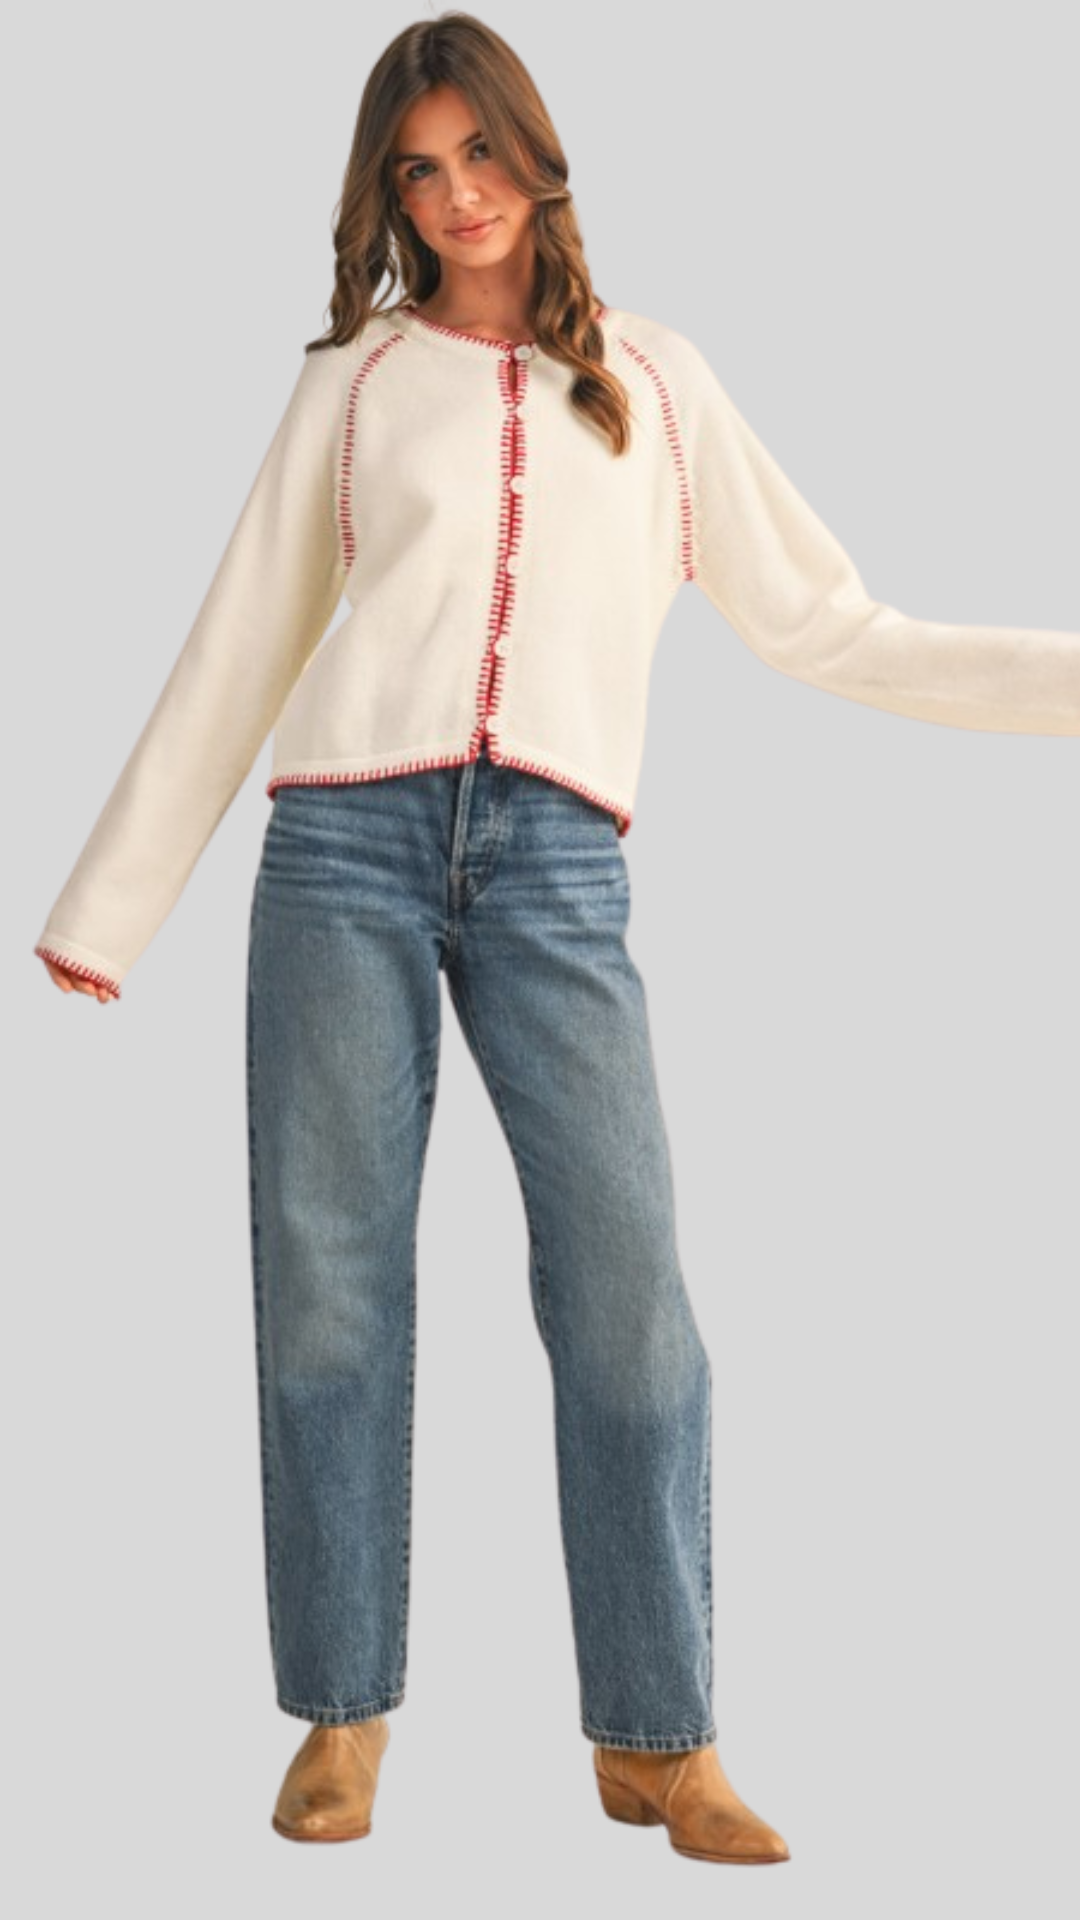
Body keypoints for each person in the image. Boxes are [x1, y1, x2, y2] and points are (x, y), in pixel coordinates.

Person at [33, 11, 1078, 1863]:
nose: (457, 197)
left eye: (481, 155)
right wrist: (112, 905)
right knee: (329, 1287)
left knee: (629, 1296)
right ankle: (342, 1713)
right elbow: (240, 644)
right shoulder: (354, 383)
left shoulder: (657, 384)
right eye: (419, 171)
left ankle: (660, 1740)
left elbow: (835, 625)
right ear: (389, 194)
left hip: (557, 866)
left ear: (537, 152)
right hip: (342, 846)